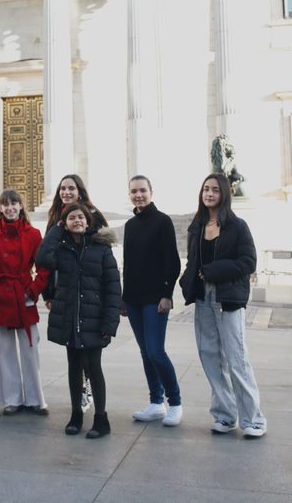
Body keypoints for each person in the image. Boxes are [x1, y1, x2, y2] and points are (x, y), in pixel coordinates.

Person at [179, 173, 267, 438]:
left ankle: (253, 419)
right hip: (203, 298)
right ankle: (224, 415)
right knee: (210, 356)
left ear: (224, 194)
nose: (209, 194)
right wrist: (188, 281)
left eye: (215, 190)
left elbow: (248, 262)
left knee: (236, 357)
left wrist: (214, 271)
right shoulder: (197, 226)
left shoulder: (237, 226)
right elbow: (193, 261)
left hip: (228, 298)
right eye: (206, 189)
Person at [36, 203, 121, 439]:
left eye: (81, 217)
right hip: (70, 317)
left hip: (94, 319)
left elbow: (113, 288)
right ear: (65, 223)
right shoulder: (61, 248)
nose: (77, 221)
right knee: (74, 367)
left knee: (94, 367)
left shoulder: (102, 249)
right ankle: (76, 414)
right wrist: (56, 230)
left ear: (88, 221)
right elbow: (42, 259)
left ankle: (101, 419)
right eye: (71, 218)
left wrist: (109, 324)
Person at [121, 175, 183, 427]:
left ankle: (175, 402)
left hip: (155, 298)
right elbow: (129, 264)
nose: (139, 195)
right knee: (145, 352)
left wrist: (167, 294)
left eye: (143, 190)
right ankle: (156, 402)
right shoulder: (130, 225)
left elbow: (173, 261)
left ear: (151, 192)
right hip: (134, 298)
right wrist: (124, 298)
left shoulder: (163, 222)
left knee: (156, 351)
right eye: (134, 191)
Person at [0, 189, 49, 415]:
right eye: (5, 204)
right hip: (1, 296)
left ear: (21, 206)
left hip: (24, 294)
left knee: (31, 349)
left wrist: (33, 291)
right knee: (5, 351)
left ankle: (35, 399)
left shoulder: (33, 234)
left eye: (14, 203)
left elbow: (43, 268)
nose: (10, 208)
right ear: (0, 208)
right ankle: (11, 399)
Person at [44, 173, 106, 412]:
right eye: (62, 189)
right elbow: (48, 259)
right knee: (74, 349)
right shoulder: (56, 220)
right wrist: (49, 293)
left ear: (80, 191)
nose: (66, 193)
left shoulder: (94, 216)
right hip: (65, 290)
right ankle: (80, 394)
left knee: (88, 350)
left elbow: (101, 258)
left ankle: (88, 389)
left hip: (89, 292)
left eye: (71, 188)